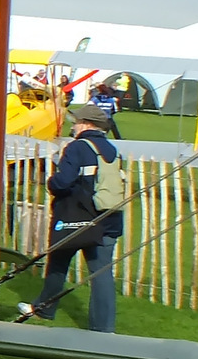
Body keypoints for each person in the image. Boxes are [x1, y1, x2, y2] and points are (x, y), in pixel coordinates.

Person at [18, 103, 124, 331]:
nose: (73, 127)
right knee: (101, 272)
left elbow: (63, 182)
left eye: (75, 123)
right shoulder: (113, 150)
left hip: (78, 217)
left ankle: (45, 309)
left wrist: (50, 183)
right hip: (110, 218)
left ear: (86, 124)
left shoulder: (77, 148)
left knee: (58, 261)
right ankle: (104, 329)